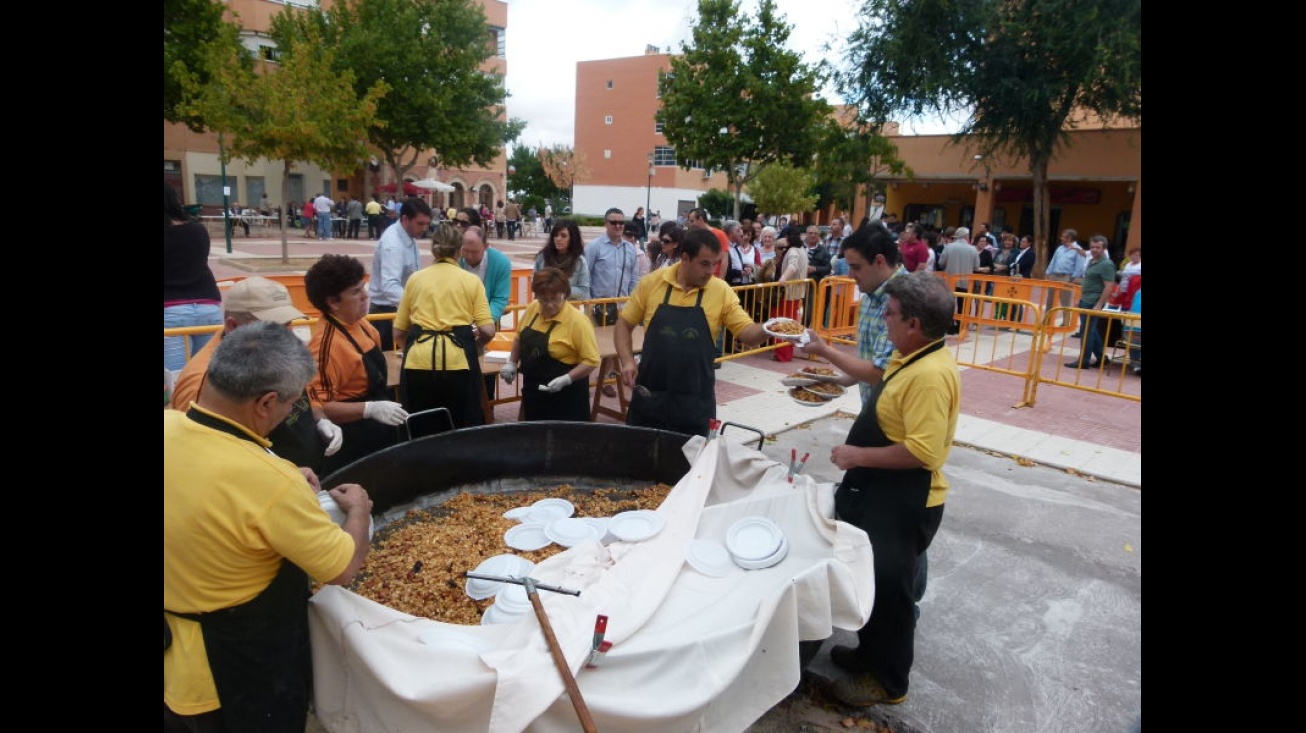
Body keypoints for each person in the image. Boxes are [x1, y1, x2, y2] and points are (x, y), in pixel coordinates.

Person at [164, 321, 372, 733]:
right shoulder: (269, 483)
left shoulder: (169, 424)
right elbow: (343, 567)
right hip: (233, 674)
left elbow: (209, 485)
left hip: (174, 660)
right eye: (289, 405)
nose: (287, 415)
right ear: (265, 403)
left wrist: (280, 473)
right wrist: (360, 511)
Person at [821, 271, 960, 708]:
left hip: (905, 500)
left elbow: (922, 451)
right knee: (871, 581)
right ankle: (869, 654)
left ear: (915, 324)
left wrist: (856, 456)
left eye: (892, 314)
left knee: (891, 593)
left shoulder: (930, 375)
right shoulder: (912, 356)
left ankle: (888, 682)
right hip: (881, 493)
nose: (885, 320)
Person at [170, 276, 343, 475]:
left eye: (288, 323)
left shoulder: (277, 350)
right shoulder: (204, 381)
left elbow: (306, 393)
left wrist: (320, 419)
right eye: (273, 327)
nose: (288, 334)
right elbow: (205, 457)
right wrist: (279, 477)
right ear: (233, 326)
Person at [615, 228, 767, 436]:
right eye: (705, 264)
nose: (711, 271)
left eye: (715, 264)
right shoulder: (652, 283)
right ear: (685, 258)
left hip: (695, 403)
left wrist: (770, 328)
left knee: (693, 465)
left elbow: (747, 333)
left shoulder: (721, 291)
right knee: (641, 462)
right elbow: (623, 324)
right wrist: (627, 361)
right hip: (651, 396)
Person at [305, 255, 408, 475]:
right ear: (333, 302)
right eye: (355, 292)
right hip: (352, 441)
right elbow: (320, 408)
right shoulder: (325, 345)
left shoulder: (363, 326)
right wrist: (369, 409)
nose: (366, 296)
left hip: (379, 431)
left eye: (363, 287)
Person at [394, 222, 496, 430]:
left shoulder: (416, 279)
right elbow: (488, 330)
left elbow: (399, 331)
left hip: (418, 360)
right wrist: (477, 346)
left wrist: (410, 348)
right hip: (458, 360)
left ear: (433, 249)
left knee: (420, 424)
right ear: (460, 251)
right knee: (460, 425)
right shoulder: (471, 281)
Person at [500, 267, 600, 421]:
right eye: (543, 299)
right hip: (534, 391)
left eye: (555, 299)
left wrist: (566, 379)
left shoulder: (577, 322)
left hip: (567, 397)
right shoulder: (534, 308)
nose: (549, 305)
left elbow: (591, 361)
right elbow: (519, 337)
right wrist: (512, 362)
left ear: (565, 294)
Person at [164, 183, 223, 374]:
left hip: (170, 310)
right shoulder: (197, 230)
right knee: (208, 375)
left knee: (177, 377)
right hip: (208, 306)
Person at [366, 197, 431, 352]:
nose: (424, 228)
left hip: (399, 311)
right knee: (390, 366)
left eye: (426, 224)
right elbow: (390, 287)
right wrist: (419, 306)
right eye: (420, 224)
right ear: (405, 219)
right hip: (386, 315)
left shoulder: (408, 235)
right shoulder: (393, 245)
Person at [460, 224, 513, 403]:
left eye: (474, 252)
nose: (468, 256)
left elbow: (499, 299)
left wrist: (482, 323)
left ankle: (487, 408)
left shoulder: (501, 263)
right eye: (465, 250)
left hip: (487, 325)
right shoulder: (456, 259)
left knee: (487, 372)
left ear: (486, 246)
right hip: (459, 323)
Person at [1065, 235, 1116, 369]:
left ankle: (1084, 360)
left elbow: (1109, 286)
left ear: (1104, 248)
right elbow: (1088, 282)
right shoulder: (1091, 261)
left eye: (1097, 247)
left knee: (1087, 331)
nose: (1094, 250)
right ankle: (1101, 357)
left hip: (1094, 301)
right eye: (1092, 247)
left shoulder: (1106, 264)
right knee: (1091, 330)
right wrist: (1079, 298)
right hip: (1086, 299)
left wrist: (1099, 304)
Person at [584, 207, 640, 326]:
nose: (618, 226)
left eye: (621, 223)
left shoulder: (630, 249)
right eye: (613, 223)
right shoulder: (594, 247)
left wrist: (631, 304)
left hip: (623, 309)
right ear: (606, 224)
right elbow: (585, 276)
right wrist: (590, 304)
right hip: (598, 308)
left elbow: (634, 279)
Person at [771, 229, 810, 362]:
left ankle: (783, 354)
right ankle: (787, 352)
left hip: (788, 292)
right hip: (797, 292)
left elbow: (792, 266)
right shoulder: (803, 250)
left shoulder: (793, 251)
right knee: (791, 323)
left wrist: (783, 278)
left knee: (783, 323)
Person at [534, 218, 591, 300]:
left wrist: (559, 290)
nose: (558, 239)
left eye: (563, 236)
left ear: (572, 238)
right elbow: (534, 282)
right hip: (545, 306)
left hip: (570, 308)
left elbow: (583, 290)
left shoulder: (579, 261)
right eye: (555, 235)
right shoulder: (543, 257)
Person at [937, 226, 980, 334]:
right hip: (966, 281)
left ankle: (949, 325)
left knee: (949, 304)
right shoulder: (973, 249)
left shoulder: (948, 247)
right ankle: (962, 326)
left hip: (950, 281)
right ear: (966, 236)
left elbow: (941, 263)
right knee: (964, 304)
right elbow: (976, 266)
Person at [1046, 228, 1087, 327]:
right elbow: (1053, 260)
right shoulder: (1060, 248)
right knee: (1050, 299)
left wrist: (1073, 278)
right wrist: (1048, 272)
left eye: (1063, 237)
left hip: (1066, 277)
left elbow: (1080, 265)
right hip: (1055, 275)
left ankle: (1065, 322)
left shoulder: (1078, 250)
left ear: (1069, 238)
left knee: (1065, 300)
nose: (1061, 238)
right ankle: (1047, 320)